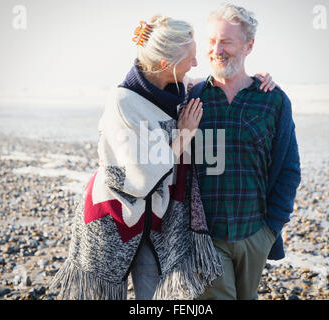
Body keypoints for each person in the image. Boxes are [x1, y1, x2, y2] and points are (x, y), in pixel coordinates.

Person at [50, 14, 277, 300]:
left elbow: (213, 82)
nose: (196, 64)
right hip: (113, 218)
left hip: (157, 220)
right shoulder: (123, 104)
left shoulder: (177, 89)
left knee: (157, 298)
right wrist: (183, 135)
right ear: (163, 65)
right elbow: (139, 178)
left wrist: (255, 80)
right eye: (190, 58)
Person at [192, 3, 301, 300]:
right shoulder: (192, 97)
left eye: (226, 41)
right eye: (212, 41)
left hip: (256, 231)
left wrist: (271, 228)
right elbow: (150, 82)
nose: (217, 49)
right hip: (206, 237)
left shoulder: (273, 100)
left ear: (248, 45)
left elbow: (290, 169)